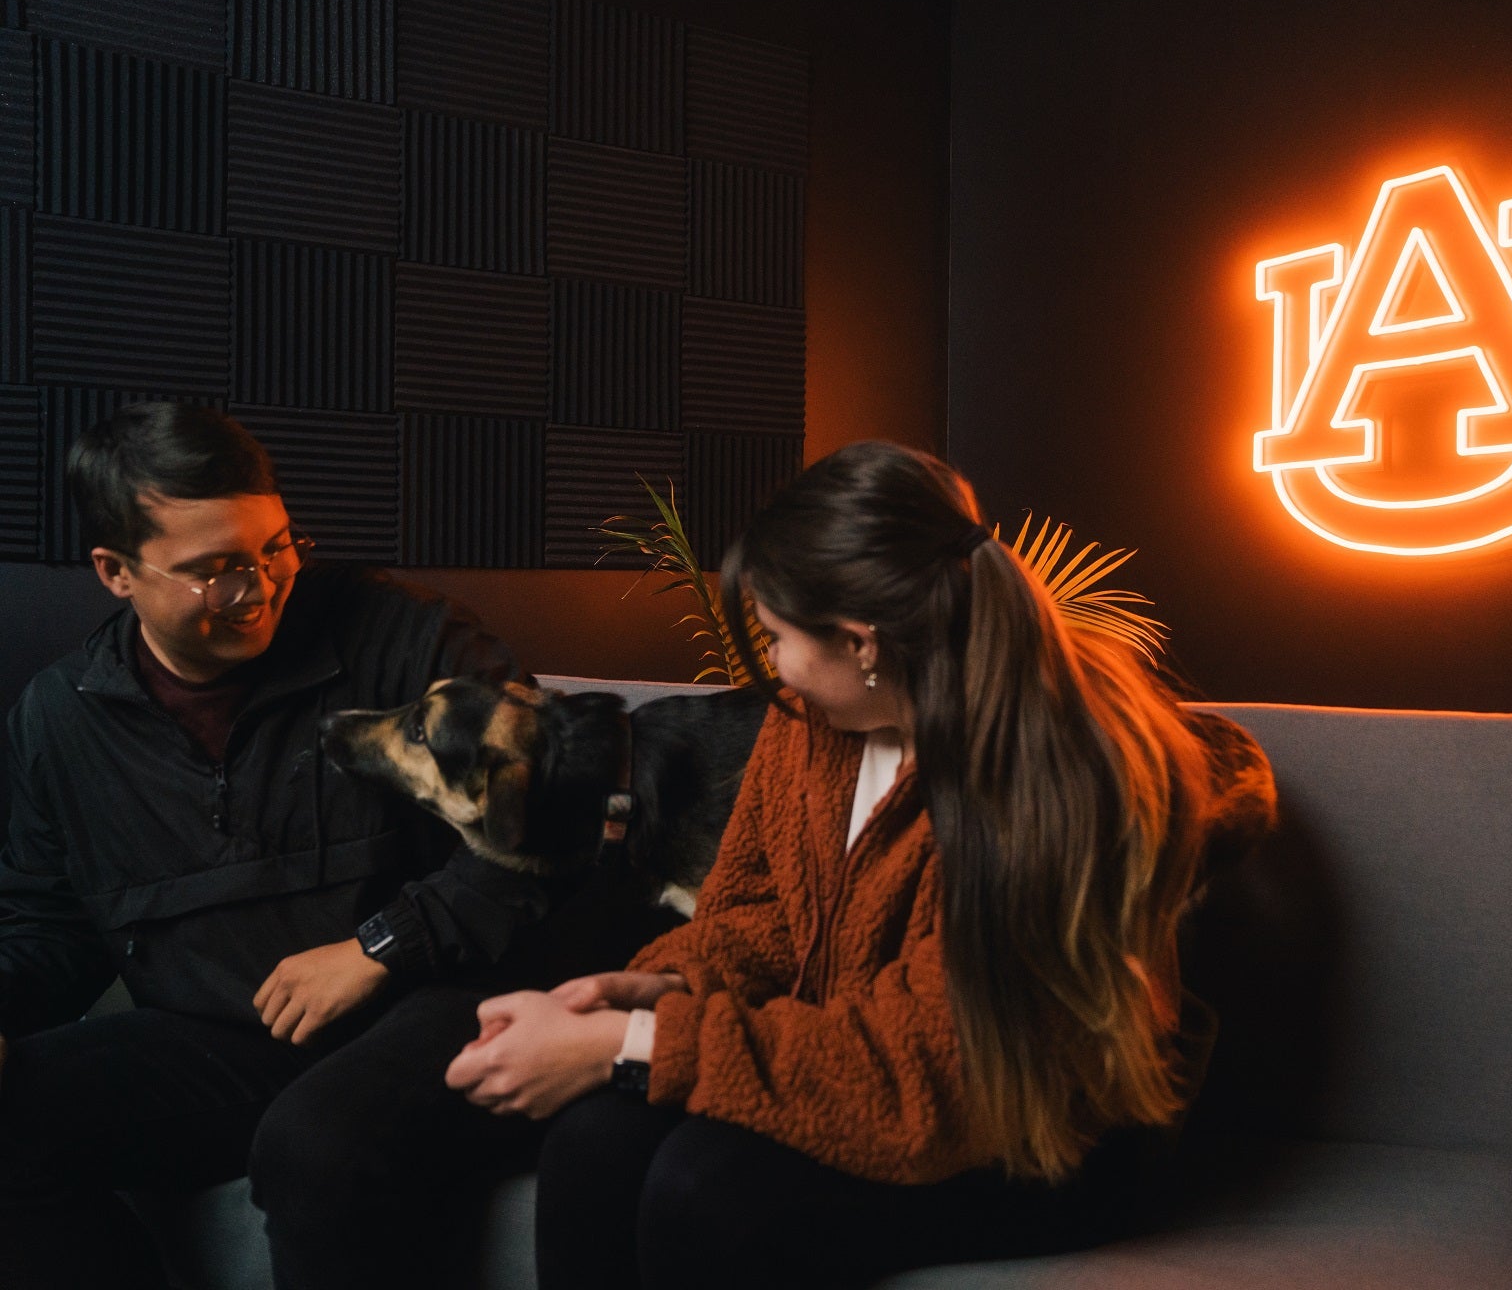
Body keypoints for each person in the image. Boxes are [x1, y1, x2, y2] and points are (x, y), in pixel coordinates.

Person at [445, 439, 1278, 1287]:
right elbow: (759, 910)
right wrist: (659, 990)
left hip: (1032, 1126)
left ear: (860, 641)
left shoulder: (1054, 780)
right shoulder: (811, 716)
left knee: (707, 1192)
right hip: (873, 1059)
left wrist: (631, 1045)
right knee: (593, 1144)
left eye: (775, 636)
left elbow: (930, 1078)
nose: (769, 662)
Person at [0, 402, 652, 1290]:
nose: (261, 587)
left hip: (433, 998)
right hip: (228, 1037)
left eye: (274, 547)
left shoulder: (406, 633)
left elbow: (551, 816)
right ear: (116, 572)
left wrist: (383, 946)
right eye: (215, 571)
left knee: (317, 1147)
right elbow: (48, 929)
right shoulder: (57, 718)